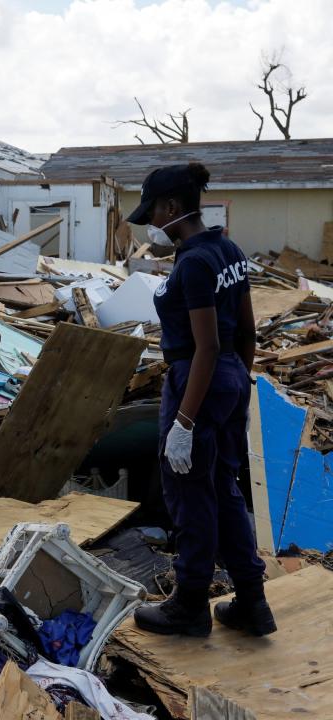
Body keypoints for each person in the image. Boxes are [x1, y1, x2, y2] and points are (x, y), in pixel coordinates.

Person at [128, 163, 275, 637]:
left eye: (153, 212)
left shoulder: (192, 262)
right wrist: (237, 386)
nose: (152, 223)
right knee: (223, 489)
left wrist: (186, 421)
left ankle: (189, 605)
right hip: (229, 376)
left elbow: (206, 345)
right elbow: (245, 332)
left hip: (199, 377)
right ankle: (252, 602)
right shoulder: (226, 249)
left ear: (173, 207)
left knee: (189, 494)